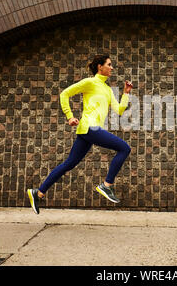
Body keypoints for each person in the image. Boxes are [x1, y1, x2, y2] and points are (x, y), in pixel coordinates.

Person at [27, 54, 133, 214]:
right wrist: (69, 116)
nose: (112, 68)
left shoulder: (108, 89)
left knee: (69, 164)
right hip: (90, 128)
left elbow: (119, 110)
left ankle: (38, 192)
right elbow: (65, 94)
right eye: (109, 64)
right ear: (100, 66)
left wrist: (126, 93)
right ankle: (106, 185)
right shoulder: (90, 82)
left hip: (87, 131)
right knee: (124, 148)